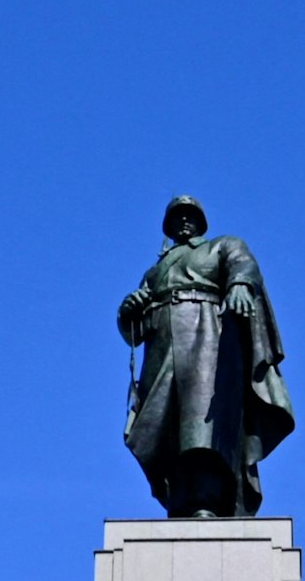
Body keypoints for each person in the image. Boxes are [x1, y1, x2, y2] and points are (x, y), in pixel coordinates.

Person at [117, 197, 294, 517]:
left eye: (190, 215)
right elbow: (134, 333)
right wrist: (127, 314)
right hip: (161, 348)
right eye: (177, 217)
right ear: (168, 227)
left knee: (201, 426)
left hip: (206, 338)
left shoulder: (222, 246)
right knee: (164, 427)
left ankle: (205, 500)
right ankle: (180, 501)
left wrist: (239, 284)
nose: (184, 221)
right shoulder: (154, 273)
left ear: (201, 222)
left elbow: (243, 265)